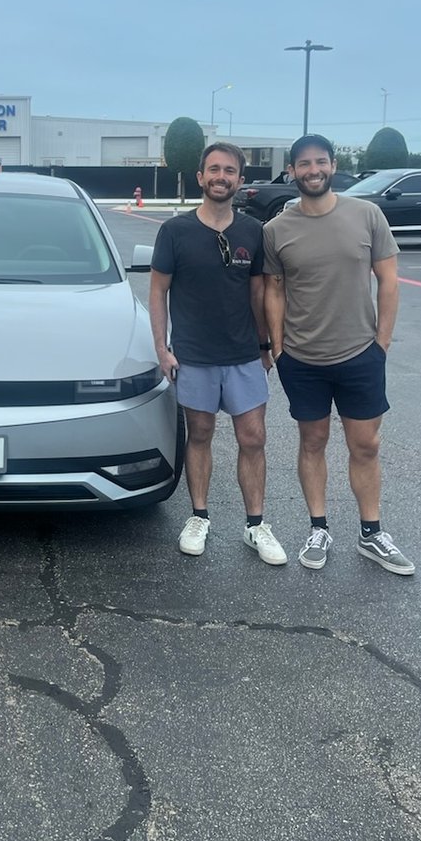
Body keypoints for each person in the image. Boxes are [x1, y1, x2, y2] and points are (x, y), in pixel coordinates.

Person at [263, 133, 414, 575]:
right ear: (292, 171)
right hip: (302, 359)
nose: (313, 170)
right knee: (313, 441)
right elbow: (273, 291)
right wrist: (279, 347)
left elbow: (388, 281)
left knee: (364, 445)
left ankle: (372, 534)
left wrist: (381, 344)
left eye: (321, 162)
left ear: (332, 165)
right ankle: (318, 528)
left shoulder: (367, 215)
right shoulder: (277, 230)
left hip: (360, 355)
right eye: (304, 164)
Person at [149, 142, 287, 565]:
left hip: (243, 354)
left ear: (240, 180)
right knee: (201, 435)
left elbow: (259, 291)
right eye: (214, 170)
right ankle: (199, 517)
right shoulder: (175, 231)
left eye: (229, 171)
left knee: (253, 437)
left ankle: (256, 525)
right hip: (193, 355)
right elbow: (158, 291)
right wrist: (162, 348)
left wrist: (265, 346)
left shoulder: (252, 231)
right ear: (201, 177)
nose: (221, 177)